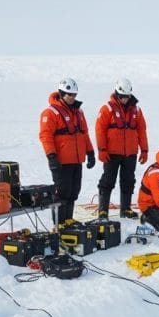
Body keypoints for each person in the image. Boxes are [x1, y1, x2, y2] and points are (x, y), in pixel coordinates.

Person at [39, 77, 95, 224]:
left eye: (74, 95)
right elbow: (46, 136)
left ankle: (68, 220)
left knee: (73, 191)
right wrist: (52, 157)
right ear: (61, 94)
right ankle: (59, 223)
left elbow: (84, 134)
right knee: (61, 193)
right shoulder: (50, 113)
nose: (72, 98)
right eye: (69, 94)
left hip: (76, 160)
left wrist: (90, 152)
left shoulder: (79, 112)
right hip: (61, 161)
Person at [95, 77, 149, 219]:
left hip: (130, 153)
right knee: (107, 181)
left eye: (127, 96)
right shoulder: (107, 109)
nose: (124, 99)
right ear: (117, 94)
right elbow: (100, 130)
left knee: (128, 181)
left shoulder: (136, 110)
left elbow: (142, 130)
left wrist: (144, 150)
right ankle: (103, 210)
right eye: (122, 97)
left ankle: (125, 209)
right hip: (111, 154)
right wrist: (102, 149)